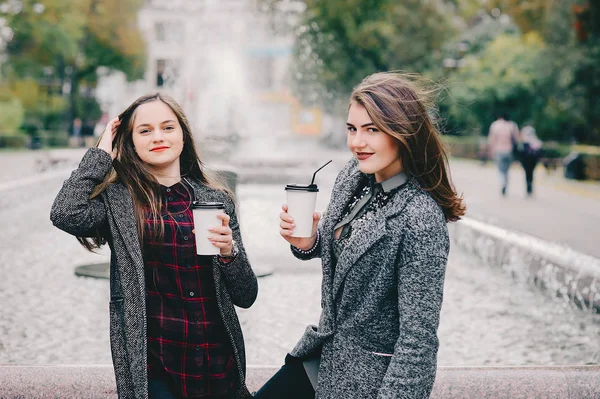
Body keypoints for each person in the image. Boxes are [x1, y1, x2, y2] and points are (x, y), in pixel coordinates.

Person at [255, 72, 466, 399]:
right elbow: (342, 249)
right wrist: (309, 242)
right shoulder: (353, 175)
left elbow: (418, 341)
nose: (357, 143)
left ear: (403, 131)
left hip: (367, 381)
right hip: (322, 356)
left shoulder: (420, 218)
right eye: (352, 129)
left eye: (372, 130)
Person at [50, 93, 258, 399]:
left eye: (168, 127)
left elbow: (246, 295)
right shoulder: (120, 202)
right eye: (144, 130)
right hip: (156, 370)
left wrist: (229, 253)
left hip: (218, 365)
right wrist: (101, 152)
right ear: (130, 143)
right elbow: (65, 213)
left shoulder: (216, 200)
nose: (158, 137)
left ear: (184, 137)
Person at [488, 113, 520, 196]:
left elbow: (491, 140)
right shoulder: (512, 125)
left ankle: (503, 183)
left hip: (498, 150)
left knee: (500, 170)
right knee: (506, 170)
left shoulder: (495, 125)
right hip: (509, 151)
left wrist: (491, 151)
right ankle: (505, 184)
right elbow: (517, 139)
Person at [519, 125, 543, 196]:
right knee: (531, 173)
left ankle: (529, 186)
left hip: (526, 160)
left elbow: (521, 152)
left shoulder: (525, 141)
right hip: (532, 160)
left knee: (527, 173)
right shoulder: (536, 141)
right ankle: (530, 186)